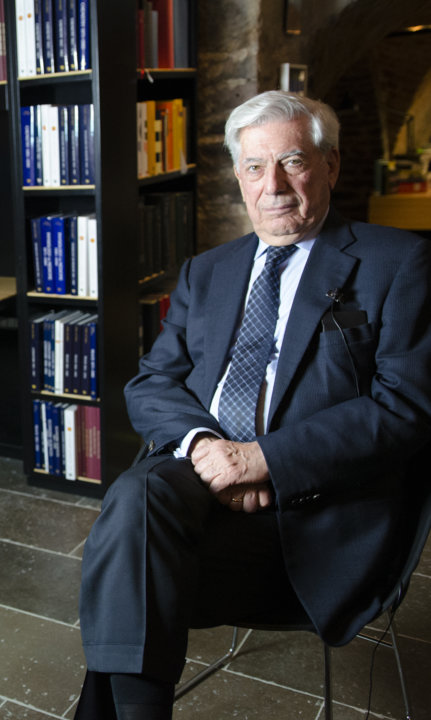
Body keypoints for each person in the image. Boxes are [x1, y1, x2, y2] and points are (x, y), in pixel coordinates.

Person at [73, 90, 431, 719]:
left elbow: (406, 408)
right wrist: (213, 451)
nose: (275, 185)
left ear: (331, 165)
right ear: (238, 177)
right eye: (255, 167)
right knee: (138, 504)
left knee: (126, 561)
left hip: (316, 519)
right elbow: (152, 382)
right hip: (197, 485)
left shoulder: (398, 262)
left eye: (292, 161)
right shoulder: (207, 270)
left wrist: (264, 459)